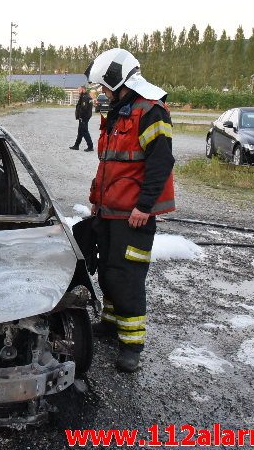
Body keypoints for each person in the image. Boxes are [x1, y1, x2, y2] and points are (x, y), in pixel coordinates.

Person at [84, 48, 175, 372]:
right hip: (109, 211)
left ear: (117, 81)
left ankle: (132, 344)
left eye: (104, 87)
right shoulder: (117, 111)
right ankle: (111, 324)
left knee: (128, 278)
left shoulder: (151, 111)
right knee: (108, 270)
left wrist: (144, 207)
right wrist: (97, 200)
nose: (102, 94)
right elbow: (108, 164)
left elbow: (161, 162)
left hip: (133, 215)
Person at [70, 86, 94, 151]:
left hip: (84, 117)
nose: (78, 92)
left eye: (79, 90)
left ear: (83, 89)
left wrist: (80, 116)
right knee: (80, 131)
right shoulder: (85, 96)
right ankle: (76, 145)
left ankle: (90, 147)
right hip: (84, 117)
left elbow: (84, 108)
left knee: (85, 131)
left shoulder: (85, 97)